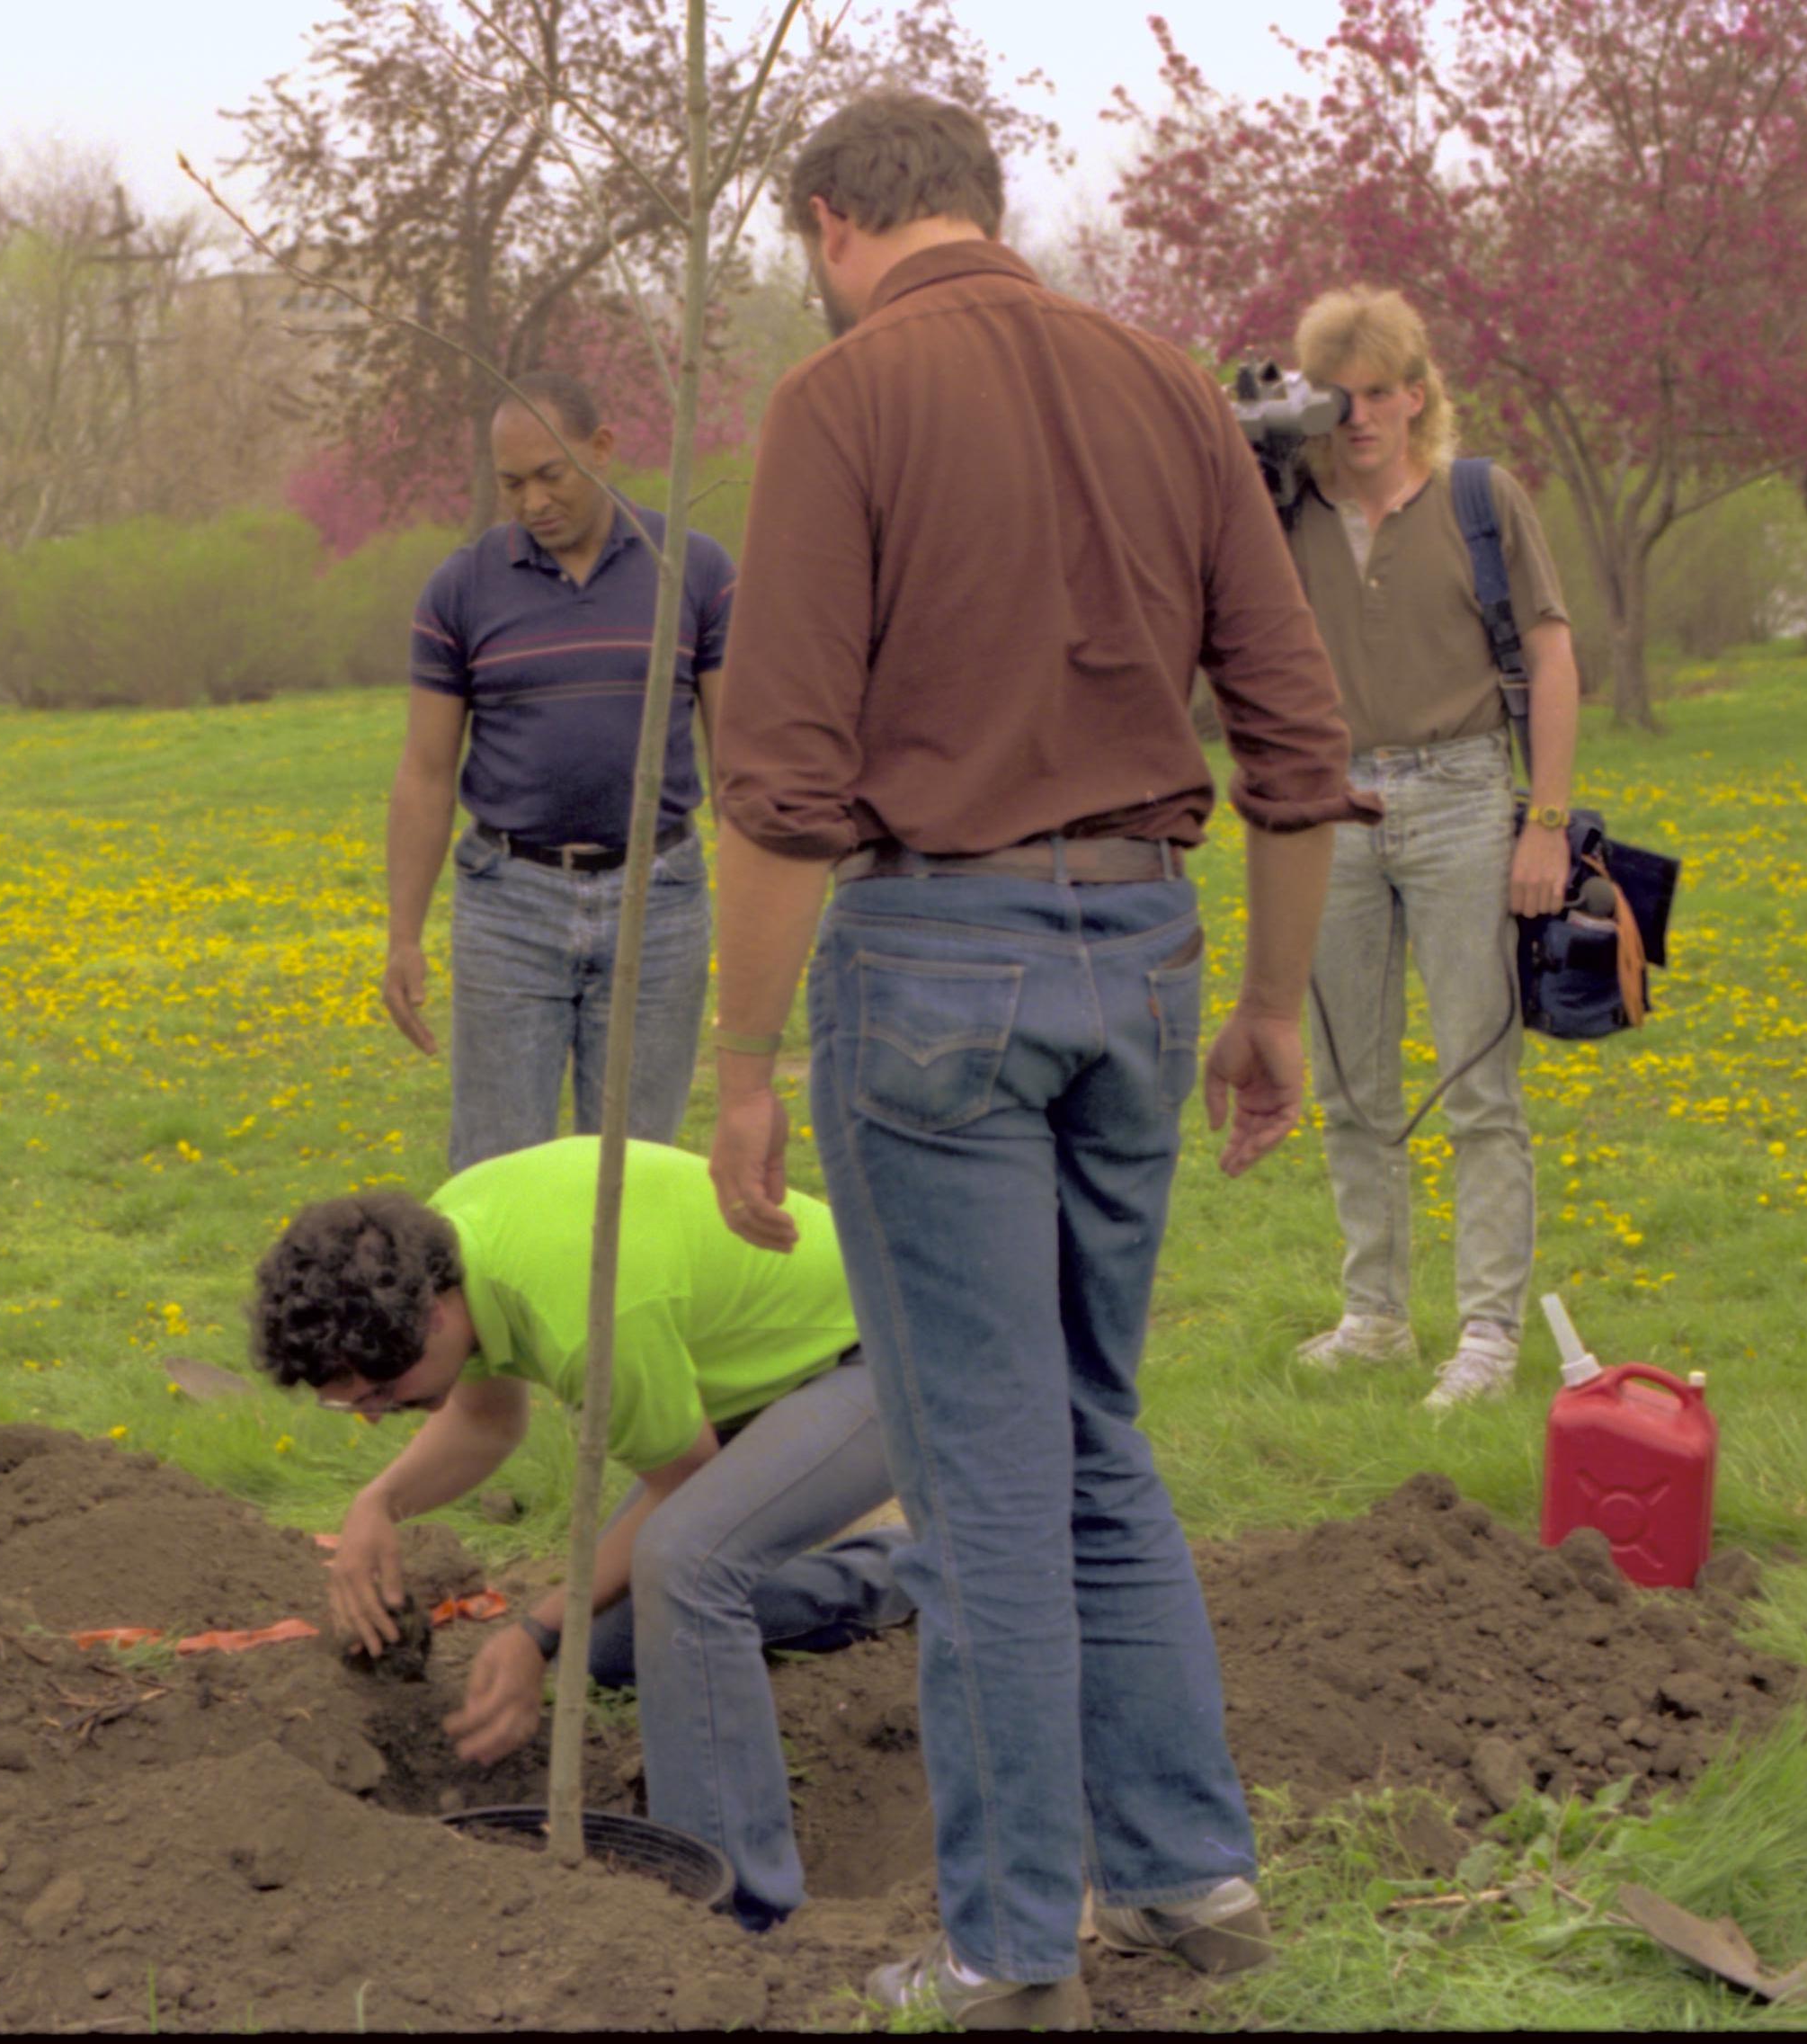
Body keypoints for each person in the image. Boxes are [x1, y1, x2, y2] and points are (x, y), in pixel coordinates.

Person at [705, 92, 1376, 2026]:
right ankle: (1191, 1871)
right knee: (1091, 1426)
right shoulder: (1171, 389)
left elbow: (780, 780)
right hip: (1148, 950)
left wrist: (741, 1057)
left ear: (833, 223)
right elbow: (1295, 730)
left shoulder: (845, 402)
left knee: (980, 1465)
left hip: (938, 959)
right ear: (988, 206)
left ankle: (1009, 1937)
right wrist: (1267, 1004)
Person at [247, 1137, 912, 1931]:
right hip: (746, 1372)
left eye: (387, 1393)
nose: (376, 1415)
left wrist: (532, 1632)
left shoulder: (582, 1313)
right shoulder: (451, 1246)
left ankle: (736, 1909)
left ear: (434, 1313)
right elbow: (490, 1423)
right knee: (606, 1638)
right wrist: (377, 1505)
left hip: (882, 1351)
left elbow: (683, 1492)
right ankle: (904, 1575)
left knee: (684, 1568)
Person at [1275, 287, 1580, 1407]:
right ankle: (1376, 1315)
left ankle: (1489, 1331)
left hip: (1460, 792)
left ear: (1415, 394)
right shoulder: (1285, 511)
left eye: (1377, 392)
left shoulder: (1477, 497)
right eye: (1335, 396)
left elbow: (1552, 658)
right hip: (1333, 801)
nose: (1357, 416)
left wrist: (1541, 821)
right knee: (1353, 1081)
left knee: (1477, 1083)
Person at [382, 370, 735, 1172]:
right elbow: (426, 773)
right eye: (511, 484)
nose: (533, 501)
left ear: (602, 448)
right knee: (497, 1173)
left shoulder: (695, 571)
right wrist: (403, 935)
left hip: (660, 898)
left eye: (550, 475)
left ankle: (611, 1305)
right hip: (510, 905)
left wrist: (756, 926)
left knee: (637, 1172)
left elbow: (740, 760)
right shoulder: (460, 588)